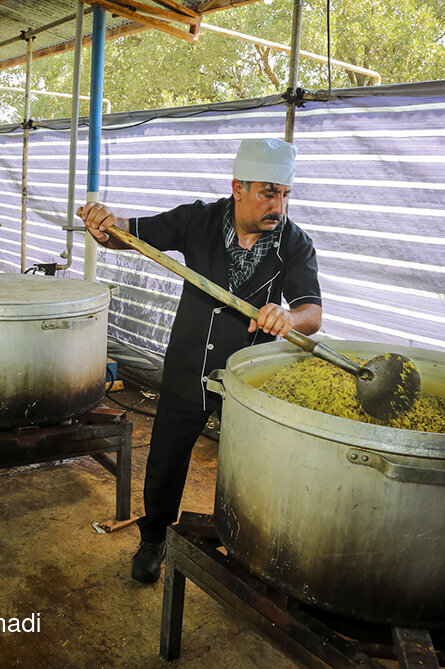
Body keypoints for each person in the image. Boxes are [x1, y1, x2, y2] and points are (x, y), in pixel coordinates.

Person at [80, 138, 322, 583]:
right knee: (166, 458)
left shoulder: (294, 244)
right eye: (269, 193)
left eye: (286, 195)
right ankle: (154, 537)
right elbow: (130, 234)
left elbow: (312, 313)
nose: (279, 206)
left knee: (248, 467)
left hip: (247, 379)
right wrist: (106, 226)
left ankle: (246, 545)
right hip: (188, 363)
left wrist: (289, 317)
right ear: (238, 188)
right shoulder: (198, 220)